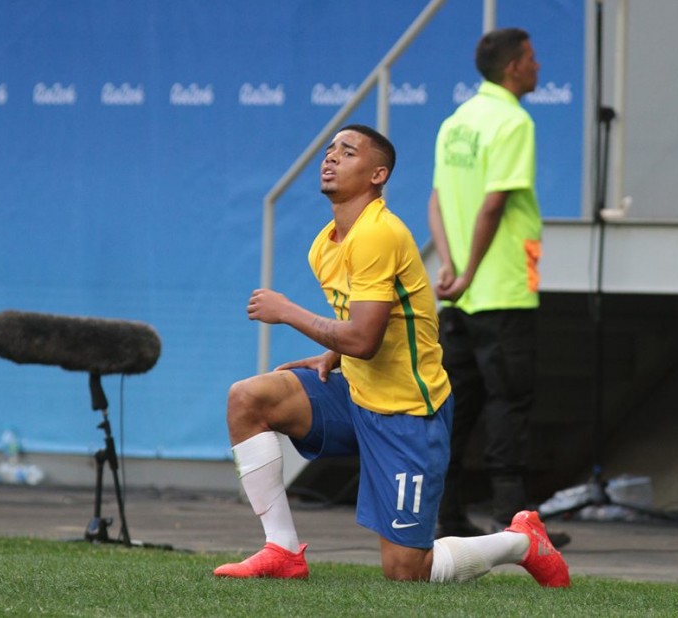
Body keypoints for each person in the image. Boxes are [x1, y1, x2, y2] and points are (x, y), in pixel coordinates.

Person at [213, 124, 570, 587]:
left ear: (377, 174)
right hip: (357, 396)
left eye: (347, 152)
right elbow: (379, 323)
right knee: (248, 399)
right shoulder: (325, 245)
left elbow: (364, 339)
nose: (331, 158)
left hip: (408, 414)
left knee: (407, 572)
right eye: (329, 150)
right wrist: (332, 356)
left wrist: (287, 312)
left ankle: (522, 541)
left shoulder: (380, 233)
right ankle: (281, 551)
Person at [427, 29, 568, 548]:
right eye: (531, 57)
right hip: (502, 288)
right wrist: (468, 272)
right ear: (512, 67)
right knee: (511, 402)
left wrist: (449, 267)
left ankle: (448, 519)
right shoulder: (513, 120)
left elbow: (437, 201)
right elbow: (494, 204)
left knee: (456, 406)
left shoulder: (457, 121)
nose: (537, 64)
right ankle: (514, 526)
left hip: (460, 296)